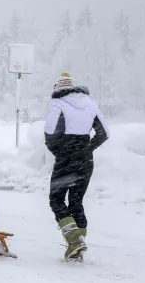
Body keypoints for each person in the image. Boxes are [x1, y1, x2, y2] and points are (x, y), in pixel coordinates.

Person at [44, 72, 109, 261]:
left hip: (66, 158)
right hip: (85, 159)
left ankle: (74, 241)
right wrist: (87, 149)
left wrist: (62, 152)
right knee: (76, 201)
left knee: (56, 199)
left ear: (57, 88)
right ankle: (78, 245)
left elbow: (49, 134)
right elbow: (104, 133)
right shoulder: (90, 103)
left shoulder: (57, 104)